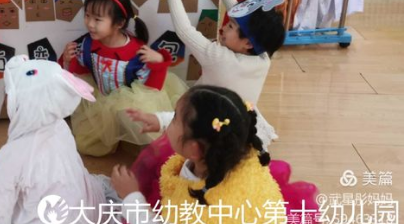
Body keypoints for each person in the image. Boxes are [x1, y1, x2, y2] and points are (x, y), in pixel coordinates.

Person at [111, 85, 286, 224]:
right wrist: (161, 120)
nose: (171, 121)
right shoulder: (236, 143)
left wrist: (132, 197)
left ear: (195, 150)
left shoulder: (201, 211)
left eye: (174, 119)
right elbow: (201, 125)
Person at [0, 56, 113, 224]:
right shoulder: (61, 127)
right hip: (85, 212)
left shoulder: (11, 156)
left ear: (24, 103)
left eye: (9, 94)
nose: (5, 99)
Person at [159, 0, 286, 147]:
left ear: (248, 43)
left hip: (209, 124)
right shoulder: (263, 57)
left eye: (230, 26)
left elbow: (185, 30)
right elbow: (245, 22)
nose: (224, 27)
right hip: (240, 123)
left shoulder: (219, 58)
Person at [61, 0, 185, 156]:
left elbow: (152, 89)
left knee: (151, 138)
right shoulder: (87, 44)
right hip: (101, 99)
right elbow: (81, 73)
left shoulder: (136, 52)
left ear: (119, 23)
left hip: (133, 99)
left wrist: (158, 61)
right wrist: (68, 60)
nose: (90, 24)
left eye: (97, 19)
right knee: (88, 145)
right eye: (87, 16)